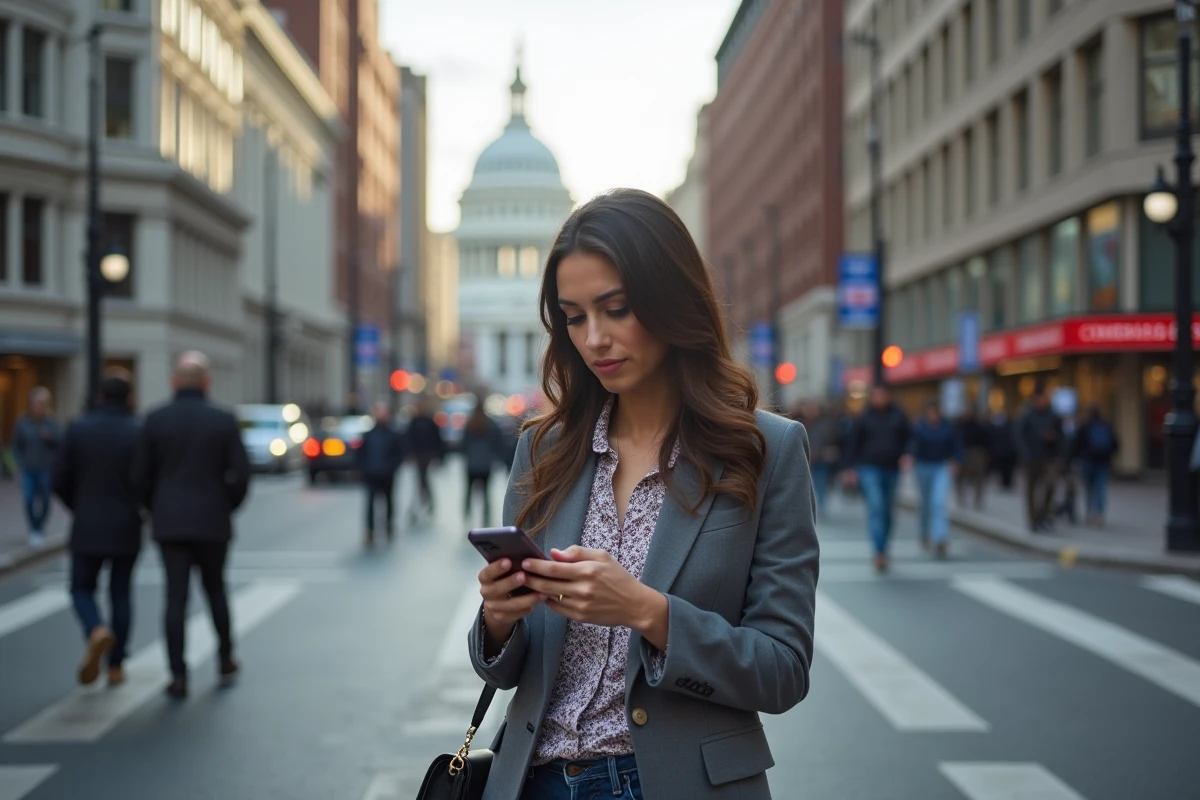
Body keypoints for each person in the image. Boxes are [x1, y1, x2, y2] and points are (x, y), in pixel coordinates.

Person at [467, 189, 818, 800]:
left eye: (617, 309)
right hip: (535, 780)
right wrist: (498, 618)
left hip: (678, 784)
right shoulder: (543, 451)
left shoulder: (766, 450)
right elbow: (507, 664)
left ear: (671, 301)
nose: (595, 338)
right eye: (575, 317)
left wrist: (647, 612)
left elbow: (782, 671)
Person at [134, 352, 250, 699]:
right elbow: (241, 475)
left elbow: (139, 476)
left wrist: (155, 507)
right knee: (216, 591)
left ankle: (178, 674)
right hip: (213, 520)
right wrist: (225, 504)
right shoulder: (223, 420)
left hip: (170, 522)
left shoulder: (155, 420)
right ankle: (225, 657)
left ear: (174, 381)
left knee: (175, 598)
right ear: (206, 382)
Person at [52, 369, 143, 686]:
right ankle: (116, 665)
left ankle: (95, 628)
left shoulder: (78, 429)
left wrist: (80, 506)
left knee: (80, 588)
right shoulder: (137, 431)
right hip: (126, 524)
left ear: (100, 397)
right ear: (130, 398)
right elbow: (146, 480)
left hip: (88, 523)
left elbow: (59, 479)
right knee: (121, 593)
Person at [847, 386, 911, 572]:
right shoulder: (864, 417)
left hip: (892, 468)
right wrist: (850, 468)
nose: (880, 399)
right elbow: (853, 443)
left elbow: (908, 439)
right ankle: (879, 551)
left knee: (887, 511)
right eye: (877, 395)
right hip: (869, 467)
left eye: (883, 395)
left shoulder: (899, 415)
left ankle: (884, 545)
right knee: (876, 506)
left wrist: (907, 454)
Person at [910, 401, 964, 558]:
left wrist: (956, 460)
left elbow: (957, 446)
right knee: (926, 503)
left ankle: (940, 538)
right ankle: (924, 534)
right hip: (923, 467)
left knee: (938, 502)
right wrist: (910, 457)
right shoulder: (919, 428)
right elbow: (912, 445)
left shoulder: (948, 427)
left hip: (941, 467)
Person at [13, 387, 61, 548]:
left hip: (46, 468)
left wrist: (50, 438)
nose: (38, 406)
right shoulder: (23, 422)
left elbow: (61, 443)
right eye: (36, 403)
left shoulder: (51, 423)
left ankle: (40, 527)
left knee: (46, 501)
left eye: (42, 403)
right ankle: (34, 529)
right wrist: (18, 464)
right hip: (28, 468)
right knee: (28, 499)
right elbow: (17, 445)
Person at [1016, 388, 1063, 532]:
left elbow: (1062, 437)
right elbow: (1019, 436)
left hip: (1049, 458)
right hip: (1031, 458)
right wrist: (1025, 453)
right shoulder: (1027, 415)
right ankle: (1033, 519)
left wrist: (1053, 439)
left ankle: (1043, 515)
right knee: (1031, 490)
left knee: (1050, 486)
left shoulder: (1053, 416)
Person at [358, 402, 405, 545]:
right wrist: (362, 468)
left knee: (389, 502)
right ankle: (370, 531)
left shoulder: (393, 435)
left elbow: (399, 454)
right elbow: (361, 454)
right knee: (370, 504)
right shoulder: (368, 435)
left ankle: (389, 526)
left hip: (387, 474)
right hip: (371, 473)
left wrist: (392, 467)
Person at [1073, 403, 1119, 526]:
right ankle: (1099, 514)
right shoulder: (1106, 425)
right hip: (1103, 462)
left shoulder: (1084, 426)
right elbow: (1115, 444)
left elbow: (1076, 445)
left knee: (1089, 489)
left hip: (1088, 462)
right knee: (1100, 488)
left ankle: (1089, 513)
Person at [461, 402, 503, 527]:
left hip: (472, 464)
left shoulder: (469, 424)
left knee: (468, 492)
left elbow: (463, 444)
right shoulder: (491, 424)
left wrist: (468, 454)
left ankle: (467, 516)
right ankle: (486, 519)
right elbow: (498, 442)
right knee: (486, 494)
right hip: (486, 464)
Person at [404, 398, 445, 520]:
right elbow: (408, 439)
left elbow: (436, 439)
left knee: (423, 479)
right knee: (421, 480)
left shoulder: (429, 421)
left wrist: (438, 456)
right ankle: (423, 502)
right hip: (418, 455)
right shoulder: (414, 422)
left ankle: (426, 502)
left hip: (427, 455)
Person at [805, 402, 841, 516]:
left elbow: (833, 440)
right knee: (808, 483)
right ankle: (811, 504)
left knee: (821, 482)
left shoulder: (825, 425)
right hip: (807, 458)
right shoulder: (802, 423)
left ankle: (820, 504)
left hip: (821, 458)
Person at [955, 406, 991, 509]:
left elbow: (986, 440)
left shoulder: (978, 425)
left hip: (975, 453)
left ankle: (978, 500)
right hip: (961, 452)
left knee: (978, 478)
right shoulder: (959, 425)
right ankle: (961, 498)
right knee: (960, 478)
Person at [988, 409, 1018, 490]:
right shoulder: (1006, 427)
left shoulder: (1011, 426)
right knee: (1005, 468)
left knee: (1007, 468)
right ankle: (1005, 482)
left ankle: (1007, 482)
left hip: (1007, 450)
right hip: (1004, 450)